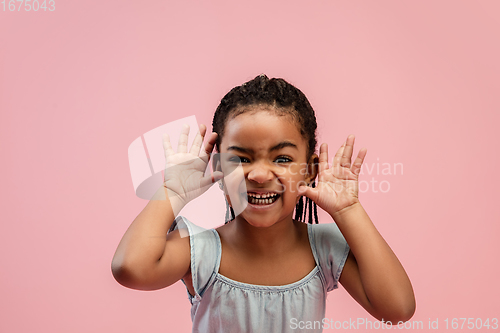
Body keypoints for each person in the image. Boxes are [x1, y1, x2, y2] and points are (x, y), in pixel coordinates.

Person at [111, 74, 416, 332]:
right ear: (218, 166)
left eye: (282, 158)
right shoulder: (200, 252)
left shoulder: (324, 247)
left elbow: (398, 309)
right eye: (241, 159)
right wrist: (173, 192)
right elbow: (130, 268)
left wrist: (348, 210)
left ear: (309, 170)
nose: (258, 174)